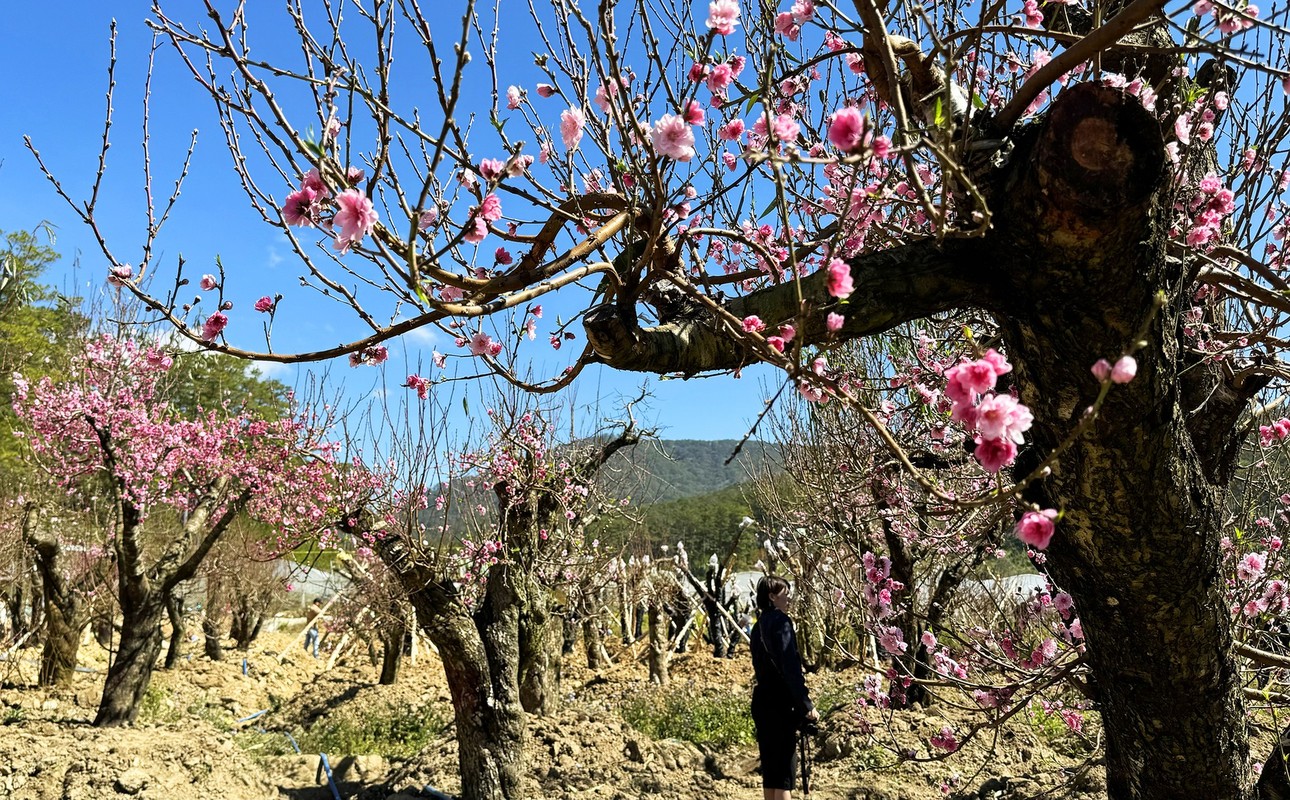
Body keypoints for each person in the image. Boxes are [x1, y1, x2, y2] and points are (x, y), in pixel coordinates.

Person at [750, 575, 817, 800]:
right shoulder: (782, 622)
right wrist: (805, 705)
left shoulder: (757, 628)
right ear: (771, 596)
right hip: (781, 704)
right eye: (784, 593)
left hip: (762, 701)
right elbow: (790, 668)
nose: (788, 597)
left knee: (770, 770)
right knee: (785, 775)